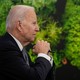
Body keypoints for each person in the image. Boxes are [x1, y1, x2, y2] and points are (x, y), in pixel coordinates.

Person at [0, 5, 54, 80]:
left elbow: (41, 75)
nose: (37, 29)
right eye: (34, 23)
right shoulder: (6, 48)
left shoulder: (20, 51)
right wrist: (43, 55)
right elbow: (34, 78)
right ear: (19, 25)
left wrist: (47, 55)